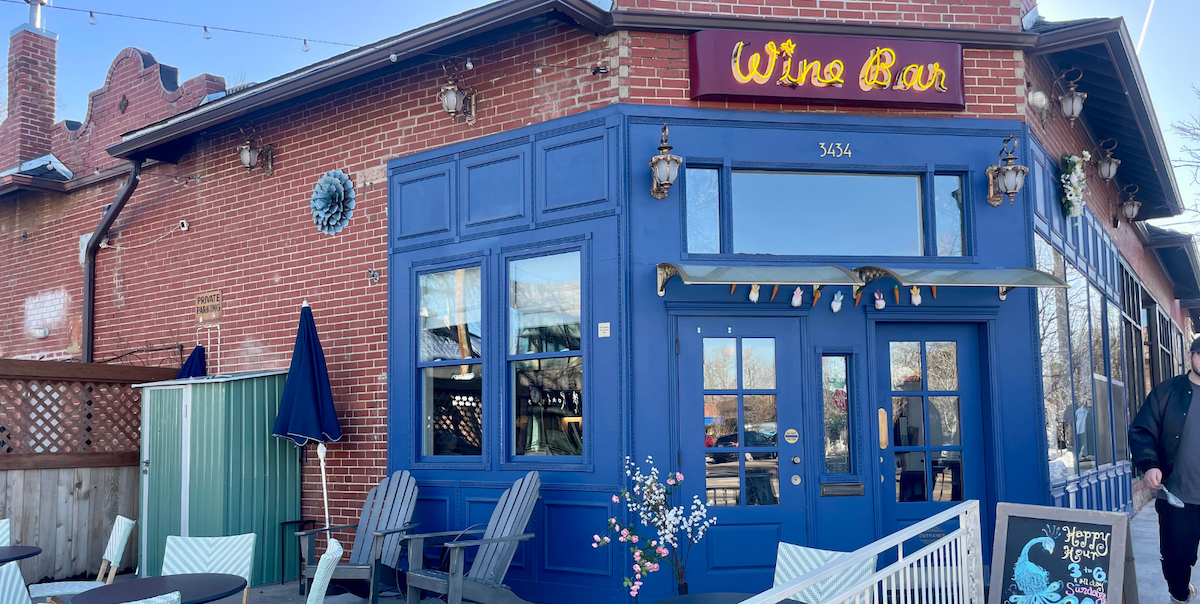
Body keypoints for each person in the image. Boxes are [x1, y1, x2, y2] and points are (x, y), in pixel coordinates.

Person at [1130, 337, 1200, 603]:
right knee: (1176, 560)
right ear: (1192, 356)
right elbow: (1143, 430)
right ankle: (1180, 595)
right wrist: (1149, 465)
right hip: (1177, 496)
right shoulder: (1167, 393)